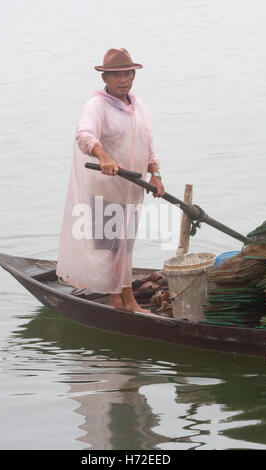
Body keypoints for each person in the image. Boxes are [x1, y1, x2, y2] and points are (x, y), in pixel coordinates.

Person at [56, 48, 165, 313]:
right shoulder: (96, 106)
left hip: (133, 188)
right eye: (116, 75)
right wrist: (102, 156)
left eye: (128, 73)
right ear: (105, 78)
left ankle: (119, 299)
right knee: (113, 246)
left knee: (124, 246)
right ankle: (126, 302)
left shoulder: (138, 106)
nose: (123, 79)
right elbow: (84, 135)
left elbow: (148, 144)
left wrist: (156, 174)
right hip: (107, 187)